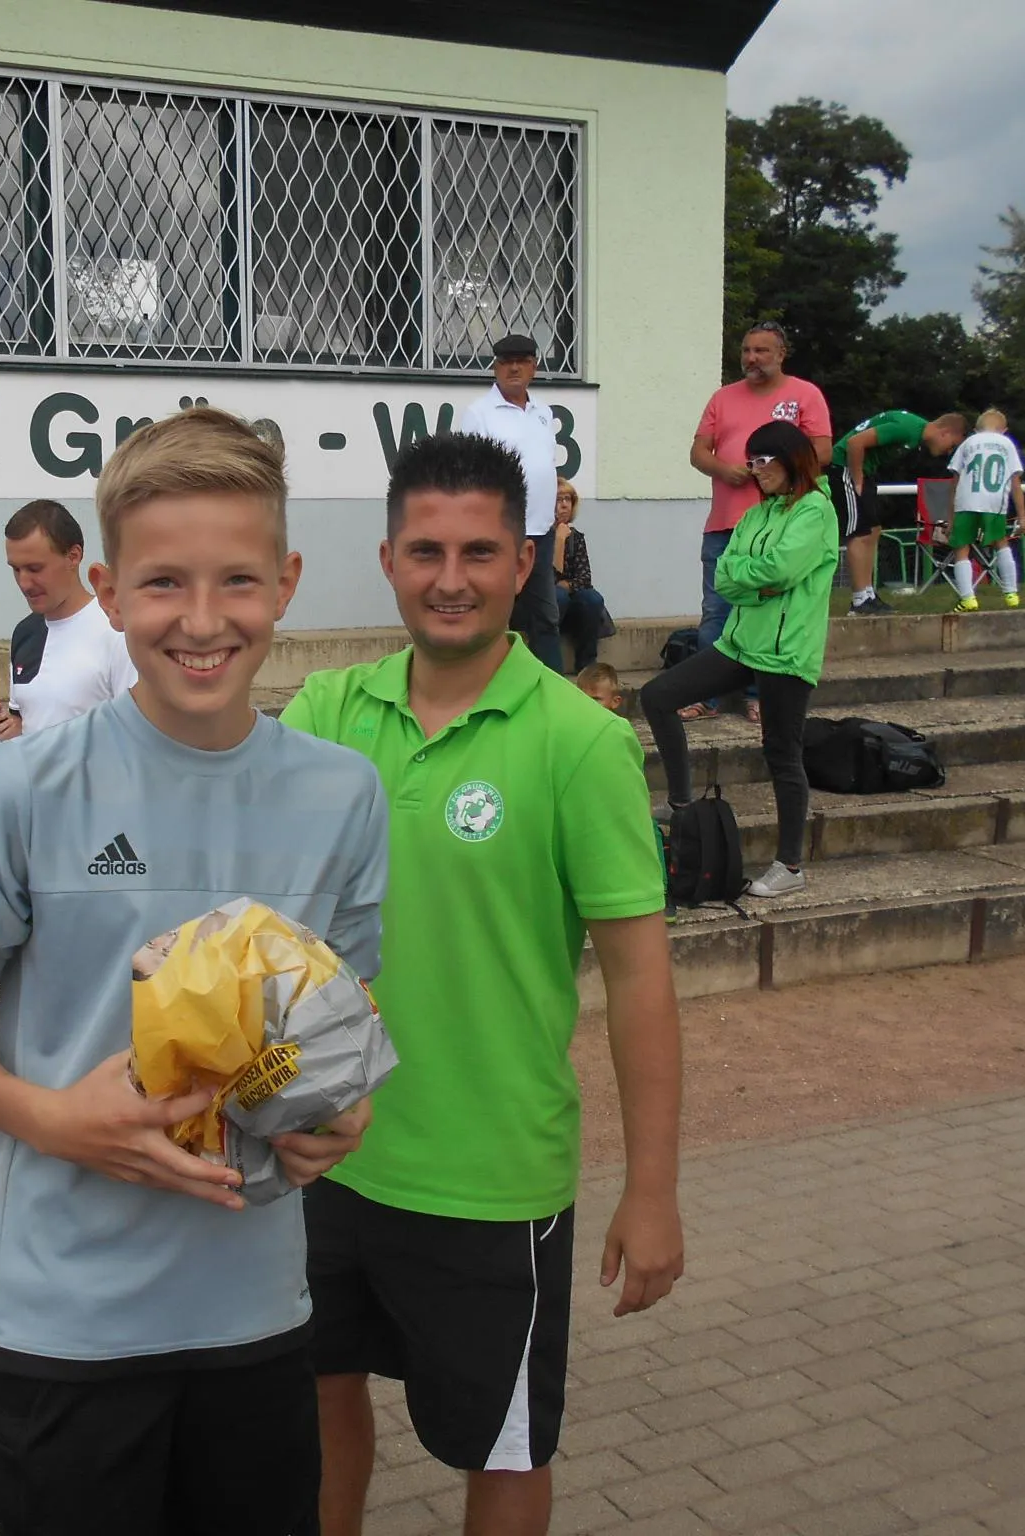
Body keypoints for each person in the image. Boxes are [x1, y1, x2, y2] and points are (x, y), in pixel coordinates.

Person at [0, 406, 389, 1536]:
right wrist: (56, 1120)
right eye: (164, 583)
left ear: (286, 583)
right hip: (60, 1329)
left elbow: (341, 1015)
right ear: (109, 593)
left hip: (257, 1324)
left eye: (237, 581)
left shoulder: (342, 795)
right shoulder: (24, 789)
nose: (202, 621)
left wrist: (337, 1113)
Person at [280, 432, 683, 1536]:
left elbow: (639, 981)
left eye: (477, 552)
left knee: (500, 1447)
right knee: (315, 1399)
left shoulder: (580, 742)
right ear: (387, 559)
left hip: (489, 1181)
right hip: (323, 1158)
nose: (449, 578)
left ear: (523, 563)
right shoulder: (326, 714)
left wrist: (652, 1190)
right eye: (425, 551)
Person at [642, 421, 839, 898]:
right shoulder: (757, 513)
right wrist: (755, 585)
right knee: (658, 696)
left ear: (792, 459)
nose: (755, 469)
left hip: (785, 652)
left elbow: (782, 570)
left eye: (764, 460)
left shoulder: (816, 509)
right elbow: (725, 576)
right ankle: (682, 804)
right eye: (751, 461)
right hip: (740, 642)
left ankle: (790, 865)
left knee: (782, 752)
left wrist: (752, 579)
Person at [687, 322, 831, 720]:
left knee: (768, 611)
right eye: (747, 350)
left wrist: (772, 467)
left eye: (761, 351)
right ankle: (706, 695)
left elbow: (823, 452)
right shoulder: (723, 397)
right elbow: (698, 452)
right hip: (725, 520)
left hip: (780, 523)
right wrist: (725, 469)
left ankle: (759, 694)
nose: (752, 358)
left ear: (781, 354)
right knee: (716, 611)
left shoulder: (805, 394)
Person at [0, 498, 134, 744]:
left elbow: (138, 735)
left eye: (35, 568)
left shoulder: (118, 631)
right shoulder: (25, 633)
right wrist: (2, 734)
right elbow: (27, 723)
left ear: (73, 556)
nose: (24, 583)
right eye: (16, 569)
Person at [456, 334, 564, 671]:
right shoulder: (479, 413)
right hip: (500, 531)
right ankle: (488, 681)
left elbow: (544, 465)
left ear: (534, 367)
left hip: (541, 531)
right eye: (506, 362)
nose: (514, 368)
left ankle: (552, 687)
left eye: (521, 362)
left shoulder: (543, 412)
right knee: (496, 614)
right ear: (495, 368)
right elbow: (470, 475)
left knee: (545, 615)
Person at [833, 409, 969, 615]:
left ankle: (868, 593)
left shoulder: (915, 433)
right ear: (945, 432)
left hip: (863, 471)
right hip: (845, 468)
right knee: (860, 532)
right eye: (951, 445)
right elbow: (855, 443)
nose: (948, 451)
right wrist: (857, 479)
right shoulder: (908, 428)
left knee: (873, 530)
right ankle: (859, 600)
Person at [945, 409, 1025, 612]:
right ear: (1004, 430)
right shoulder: (1007, 444)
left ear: (975, 430)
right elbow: (1015, 482)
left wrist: (951, 519)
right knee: (1001, 542)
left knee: (961, 548)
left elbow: (955, 482)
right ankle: (1011, 593)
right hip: (994, 501)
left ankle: (967, 598)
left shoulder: (968, 443)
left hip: (966, 500)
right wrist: (1022, 516)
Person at [549, 477, 610, 674]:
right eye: (559, 499)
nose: (564, 505)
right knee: (558, 595)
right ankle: (551, 663)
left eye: (568, 499)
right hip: (544, 609)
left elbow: (584, 579)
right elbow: (547, 581)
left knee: (592, 599)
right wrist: (559, 541)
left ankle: (587, 664)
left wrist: (566, 585)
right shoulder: (538, 537)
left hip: (570, 608)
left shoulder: (576, 537)